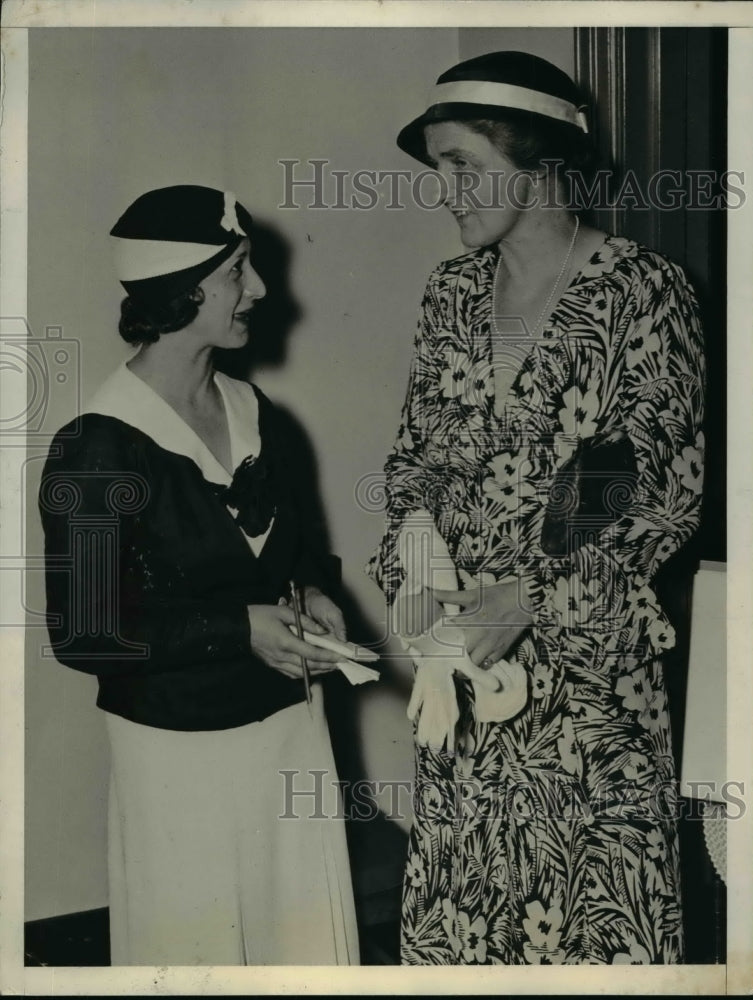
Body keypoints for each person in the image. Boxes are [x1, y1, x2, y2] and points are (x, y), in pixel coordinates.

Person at [367, 52, 705, 965]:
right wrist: (419, 581)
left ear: (544, 165)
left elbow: (650, 490)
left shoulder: (642, 291)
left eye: (464, 165)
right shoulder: (450, 294)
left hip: (586, 687)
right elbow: (414, 469)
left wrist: (525, 597)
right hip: (466, 689)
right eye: (438, 168)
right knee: (467, 928)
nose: (446, 191)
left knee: (590, 931)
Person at [40, 185, 360, 966]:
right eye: (238, 271)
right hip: (178, 752)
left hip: (287, 728)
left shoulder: (258, 412)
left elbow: (298, 549)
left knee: (300, 945)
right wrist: (239, 628)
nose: (258, 290)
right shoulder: (98, 446)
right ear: (182, 290)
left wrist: (317, 592)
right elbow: (85, 633)